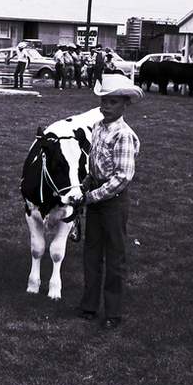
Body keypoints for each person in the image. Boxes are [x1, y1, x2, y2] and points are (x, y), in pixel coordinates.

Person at [72, 75, 143, 331]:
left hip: (114, 202)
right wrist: (86, 184)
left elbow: (122, 177)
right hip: (96, 195)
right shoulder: (99, 127)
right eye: (104, 101)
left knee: (115, 257)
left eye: (113, 102)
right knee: (91, 254)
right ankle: (89, 306)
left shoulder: (123, 135)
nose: (107, 106)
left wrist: (92, 196)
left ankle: (113, 311)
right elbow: (95, 162)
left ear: (126, 105)